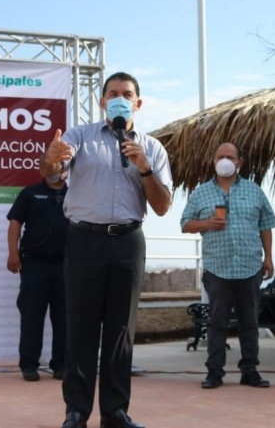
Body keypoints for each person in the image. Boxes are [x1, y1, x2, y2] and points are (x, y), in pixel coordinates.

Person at [40, 72, 172, 428]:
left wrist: (144, 168)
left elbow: (162, 206)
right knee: (80, 328)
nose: (119, 98)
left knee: (120, 333)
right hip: (85, 240)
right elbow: (54, 175)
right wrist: (50, 160)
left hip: (129, 241)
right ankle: (76, 413)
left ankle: (115, 413)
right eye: (112, 93)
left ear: (138, 103)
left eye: (126, 94)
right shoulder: (79, 136)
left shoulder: (153, 148)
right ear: (101, 101)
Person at [180, 142, 275, 390]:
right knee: (216, 322)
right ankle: (214, 372)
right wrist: (206, 223)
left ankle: (250, 371)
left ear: (239, 162)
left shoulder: (254, 191)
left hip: (249, 265)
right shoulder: (200, 193)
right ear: (213, 161)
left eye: (229, 156)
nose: (224, 160)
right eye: (220, 156)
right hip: (217, 267)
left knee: (250, 322)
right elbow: (185, 224)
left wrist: (268, 257)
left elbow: (266, 225)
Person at [6, 171, 69, 382]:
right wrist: (13, 253)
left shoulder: (76, 194)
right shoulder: (30, 193)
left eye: (61, 166)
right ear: (43, 169)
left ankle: (61, 364)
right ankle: (29, 365)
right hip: (34, 264)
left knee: (64, 318)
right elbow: (15, 223)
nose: (56, 171)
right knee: (32, 316)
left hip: (66, 266)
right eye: (51, 167)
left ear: (67, 169)